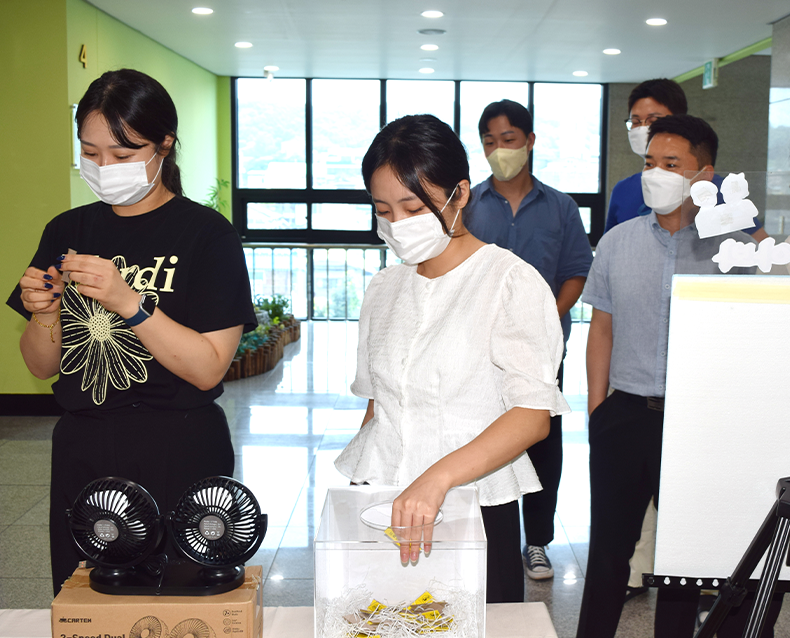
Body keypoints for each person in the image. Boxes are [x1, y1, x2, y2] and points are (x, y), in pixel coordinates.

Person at [6, 69, 257, 595]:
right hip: (85, 445)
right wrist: (44, 311)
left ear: (164, 143)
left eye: (123, 154)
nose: (104, 168)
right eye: (90, 153)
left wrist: (129, 303)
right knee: (89, 602)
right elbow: (40, 364)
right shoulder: (67, 230)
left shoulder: (207, 235)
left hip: (180, 446)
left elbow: (209, 365)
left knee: (181, 603)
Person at [334, 114, 570, 603]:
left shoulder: (509, 281)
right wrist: (362, 493)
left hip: (472, 503)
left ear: (459, 194)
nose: (397, 225)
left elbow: (531, 417)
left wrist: (436, 478)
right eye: (383, 210)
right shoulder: (384, 288)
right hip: (390, 500)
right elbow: (379, 407)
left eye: (413, 207)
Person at [575, 114, 774, 638]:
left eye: (671, 164)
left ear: (703, 174)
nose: (655, 174)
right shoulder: (617, 241)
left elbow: (769, 310)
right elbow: (601, 330)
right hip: (625, 415)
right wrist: (599, 408)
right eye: (649, 163)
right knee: (609, 550)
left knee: (684, 556)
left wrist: (750, 231)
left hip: (697, 422)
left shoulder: (732, 248)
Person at [464, 99, 593, 580]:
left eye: (509, 140)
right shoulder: (470, 205)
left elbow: (576, 272)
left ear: (531, 141)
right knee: (481, 435)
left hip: (541, 351)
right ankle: (481, 534)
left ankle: (536, 541)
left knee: (541, 442)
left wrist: (542, 322)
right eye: (490, 142)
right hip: (478, 348)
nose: (500, 150)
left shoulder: (560, 207)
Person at [606, 78, 768, 240]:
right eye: (635, 122)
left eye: (654, 120)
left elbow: (761, 250)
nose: (643, 129)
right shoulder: (623, 191)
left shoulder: (717, 190)